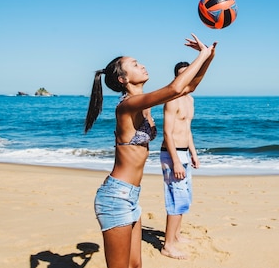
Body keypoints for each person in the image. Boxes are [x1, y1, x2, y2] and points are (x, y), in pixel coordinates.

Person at [84, 34, 216, 268]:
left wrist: (208, 58)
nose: (142, 65)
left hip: (131, 196)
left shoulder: (142, 102)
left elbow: (189, 86)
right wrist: (202, 54)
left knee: (136, 265)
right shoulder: (127, 106)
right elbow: (175, 86)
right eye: (135, 64)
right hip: (116, 197)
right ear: (123, 79)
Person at [159, 61, 200, 259]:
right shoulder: (172, 100)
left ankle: (175, 236)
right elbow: (167, 132)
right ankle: (167, 245)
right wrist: (175, 161)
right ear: (177, 77)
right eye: (183, 74)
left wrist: (193, 152)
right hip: (171, 154)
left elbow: (187, 129)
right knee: (176, 199)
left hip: (184, 152)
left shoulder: (190, 100)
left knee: (185, 197)